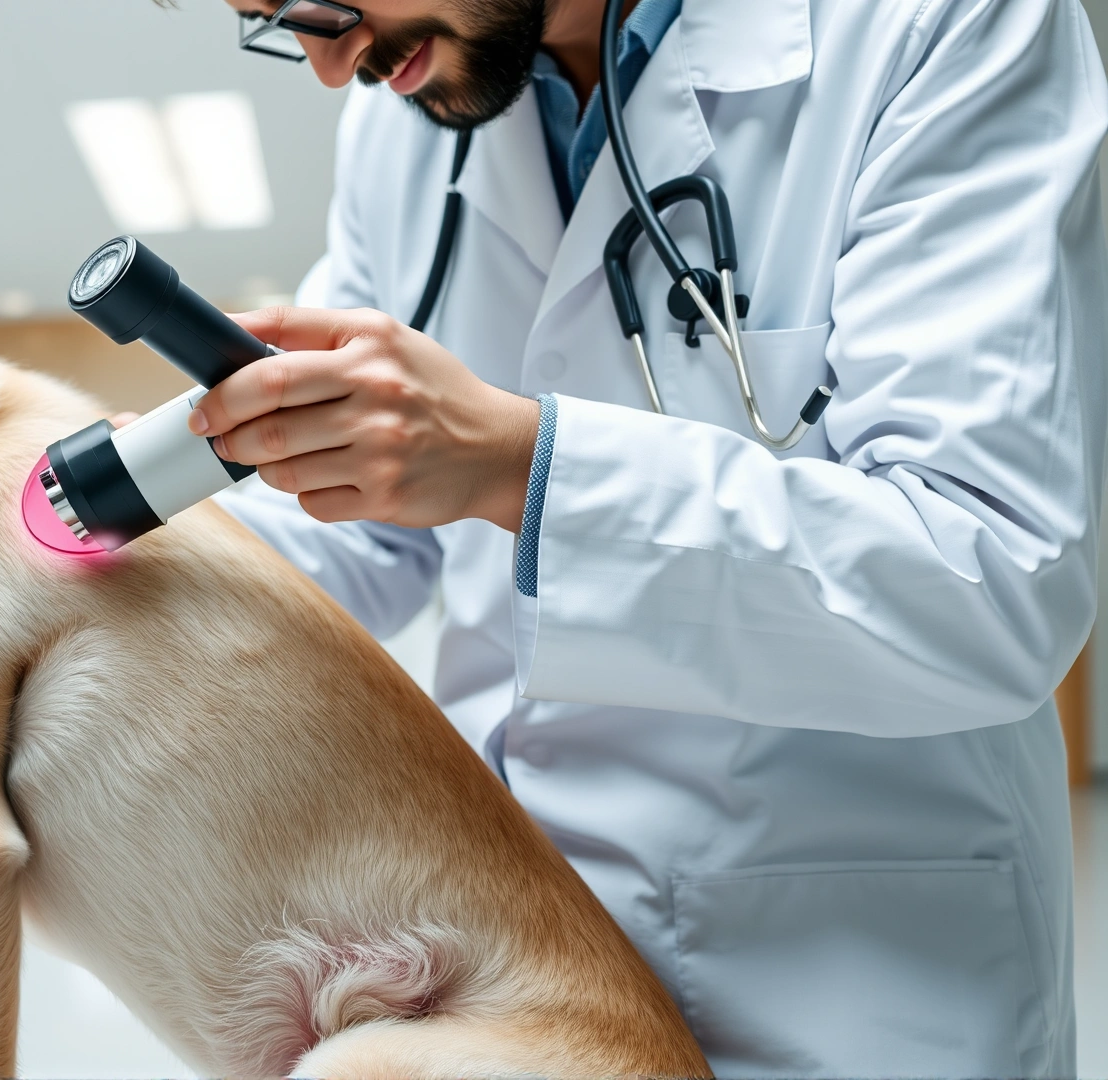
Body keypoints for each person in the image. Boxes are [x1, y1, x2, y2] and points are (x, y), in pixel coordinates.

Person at [199, 0, 1108, 1074]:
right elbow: (367, 541)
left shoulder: (939, 23)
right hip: (519, 966)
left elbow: (986, 577)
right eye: (273, 22)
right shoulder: (407, 120)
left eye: (328, 6)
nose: (328, 60)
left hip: (855, 976)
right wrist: (167, 546)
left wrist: (524, 471)